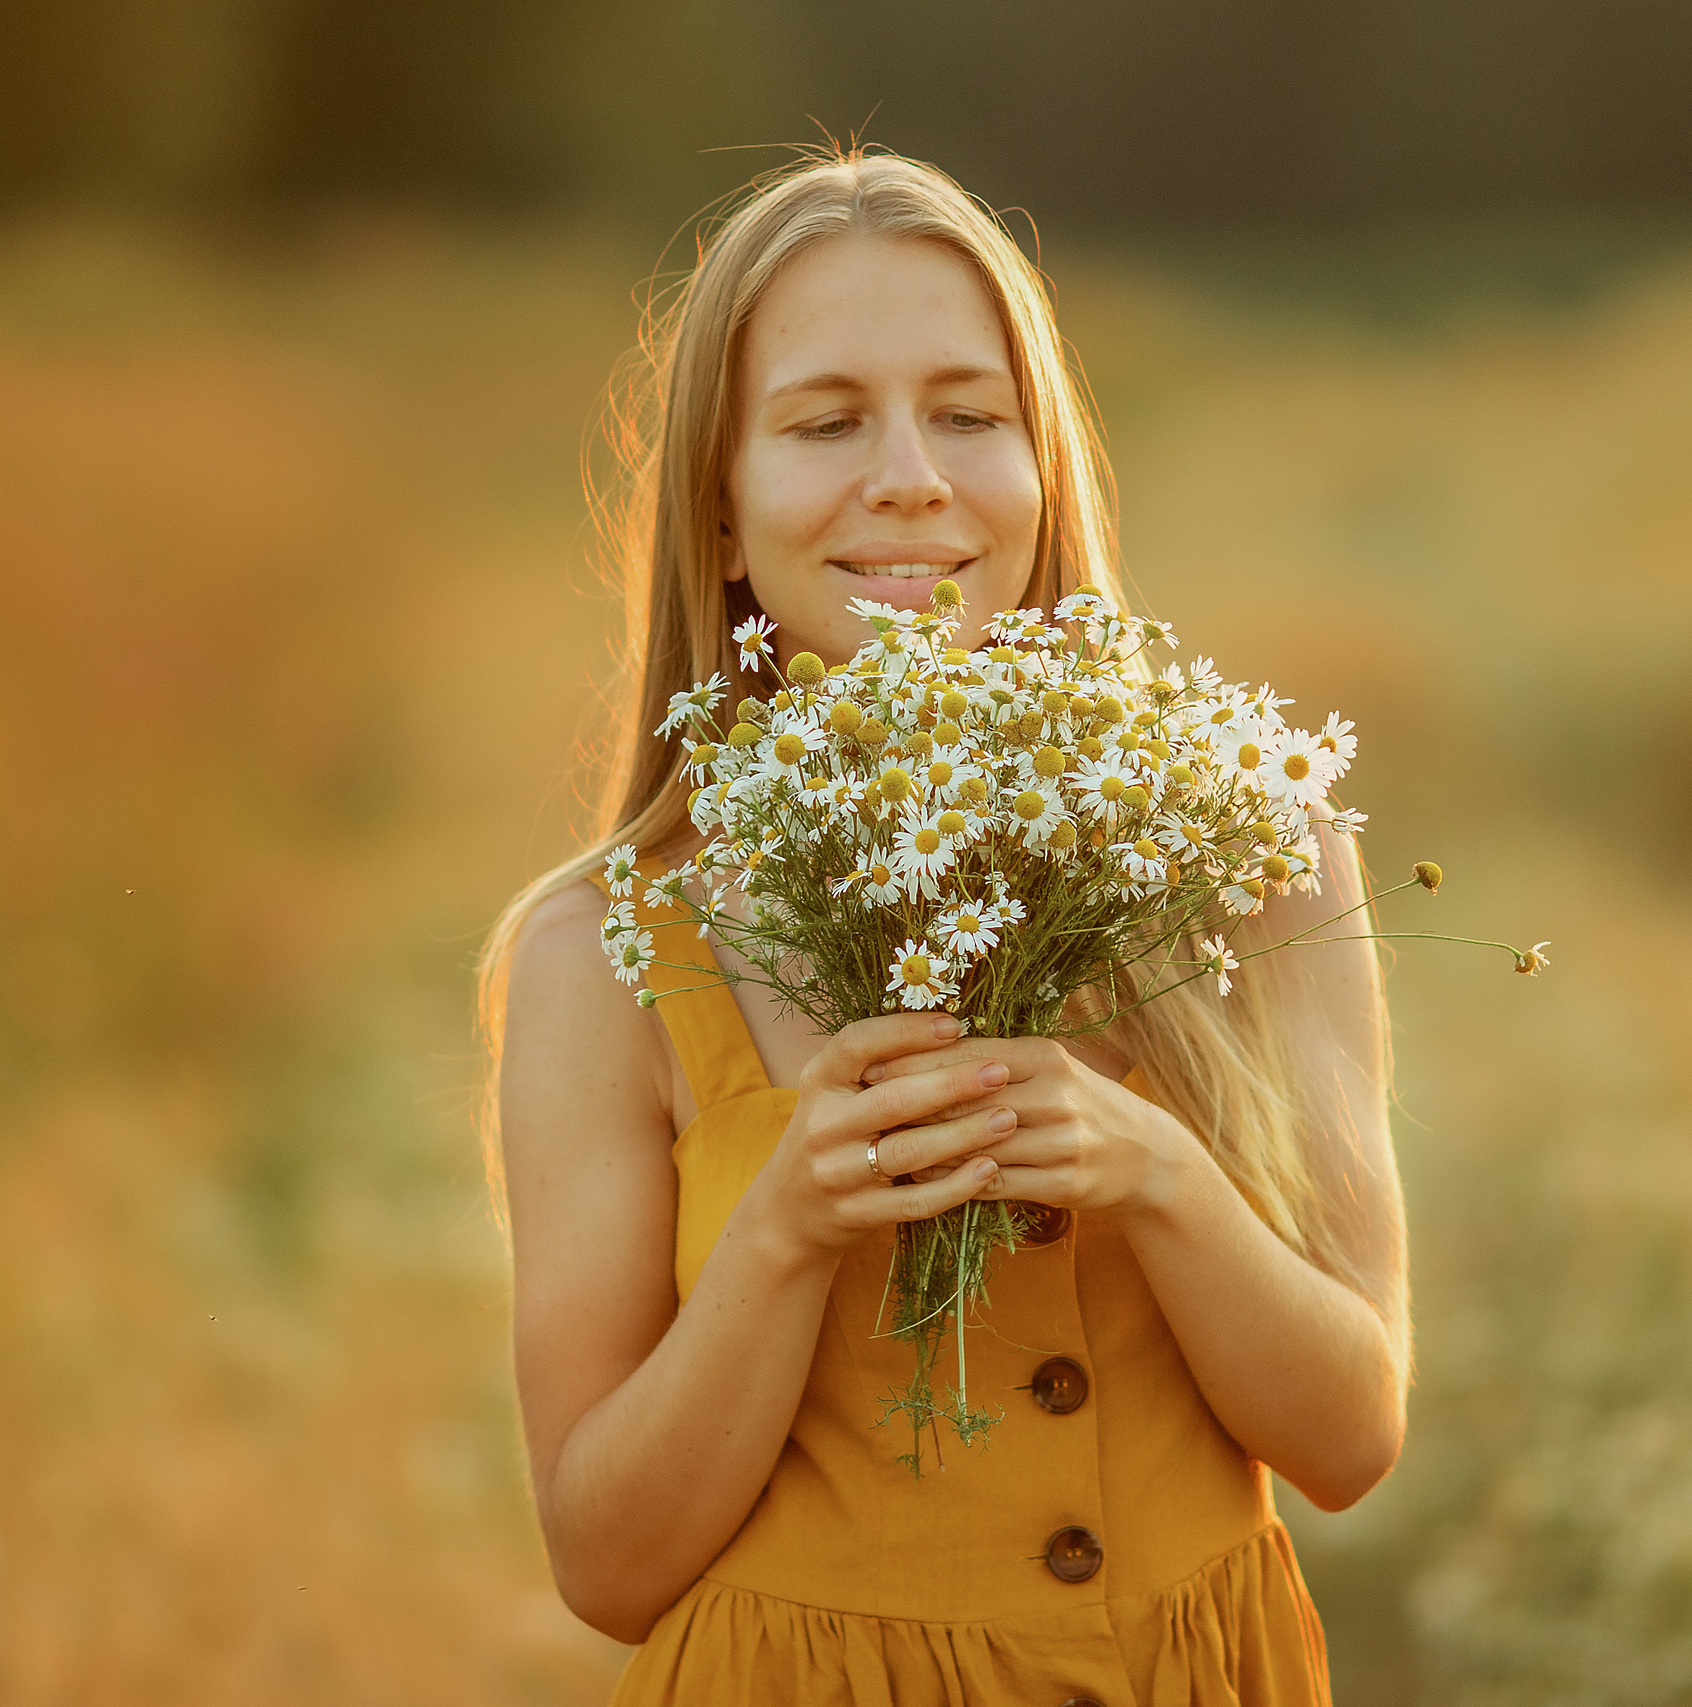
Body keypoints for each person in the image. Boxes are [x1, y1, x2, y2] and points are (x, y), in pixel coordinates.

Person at [479, 144, 1406, 1706]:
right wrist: (785, 1226)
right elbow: (607, 1567)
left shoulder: (1258, 859)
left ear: (1044, 478)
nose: (910, 473)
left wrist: (1156, 1171)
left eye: (971, 415)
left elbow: (1352, 1437)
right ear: (719, 513)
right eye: (827, 421)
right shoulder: (610, 954)